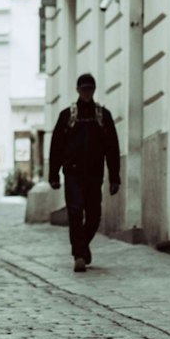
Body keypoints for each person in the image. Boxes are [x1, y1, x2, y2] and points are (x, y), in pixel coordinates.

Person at [48, 72, 121, 272]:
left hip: (94, 174)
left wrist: (115, 177)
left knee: (94, 215)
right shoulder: (67, 115)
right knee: (74, 212)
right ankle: (79, 254)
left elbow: (112, 148)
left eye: (90, 89)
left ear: (94, 90)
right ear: (78, 90)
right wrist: (53, 175)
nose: (87, 92)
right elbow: (56, 147)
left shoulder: (102, 116)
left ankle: (82, 246)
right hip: (72, 173)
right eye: (84, 89)